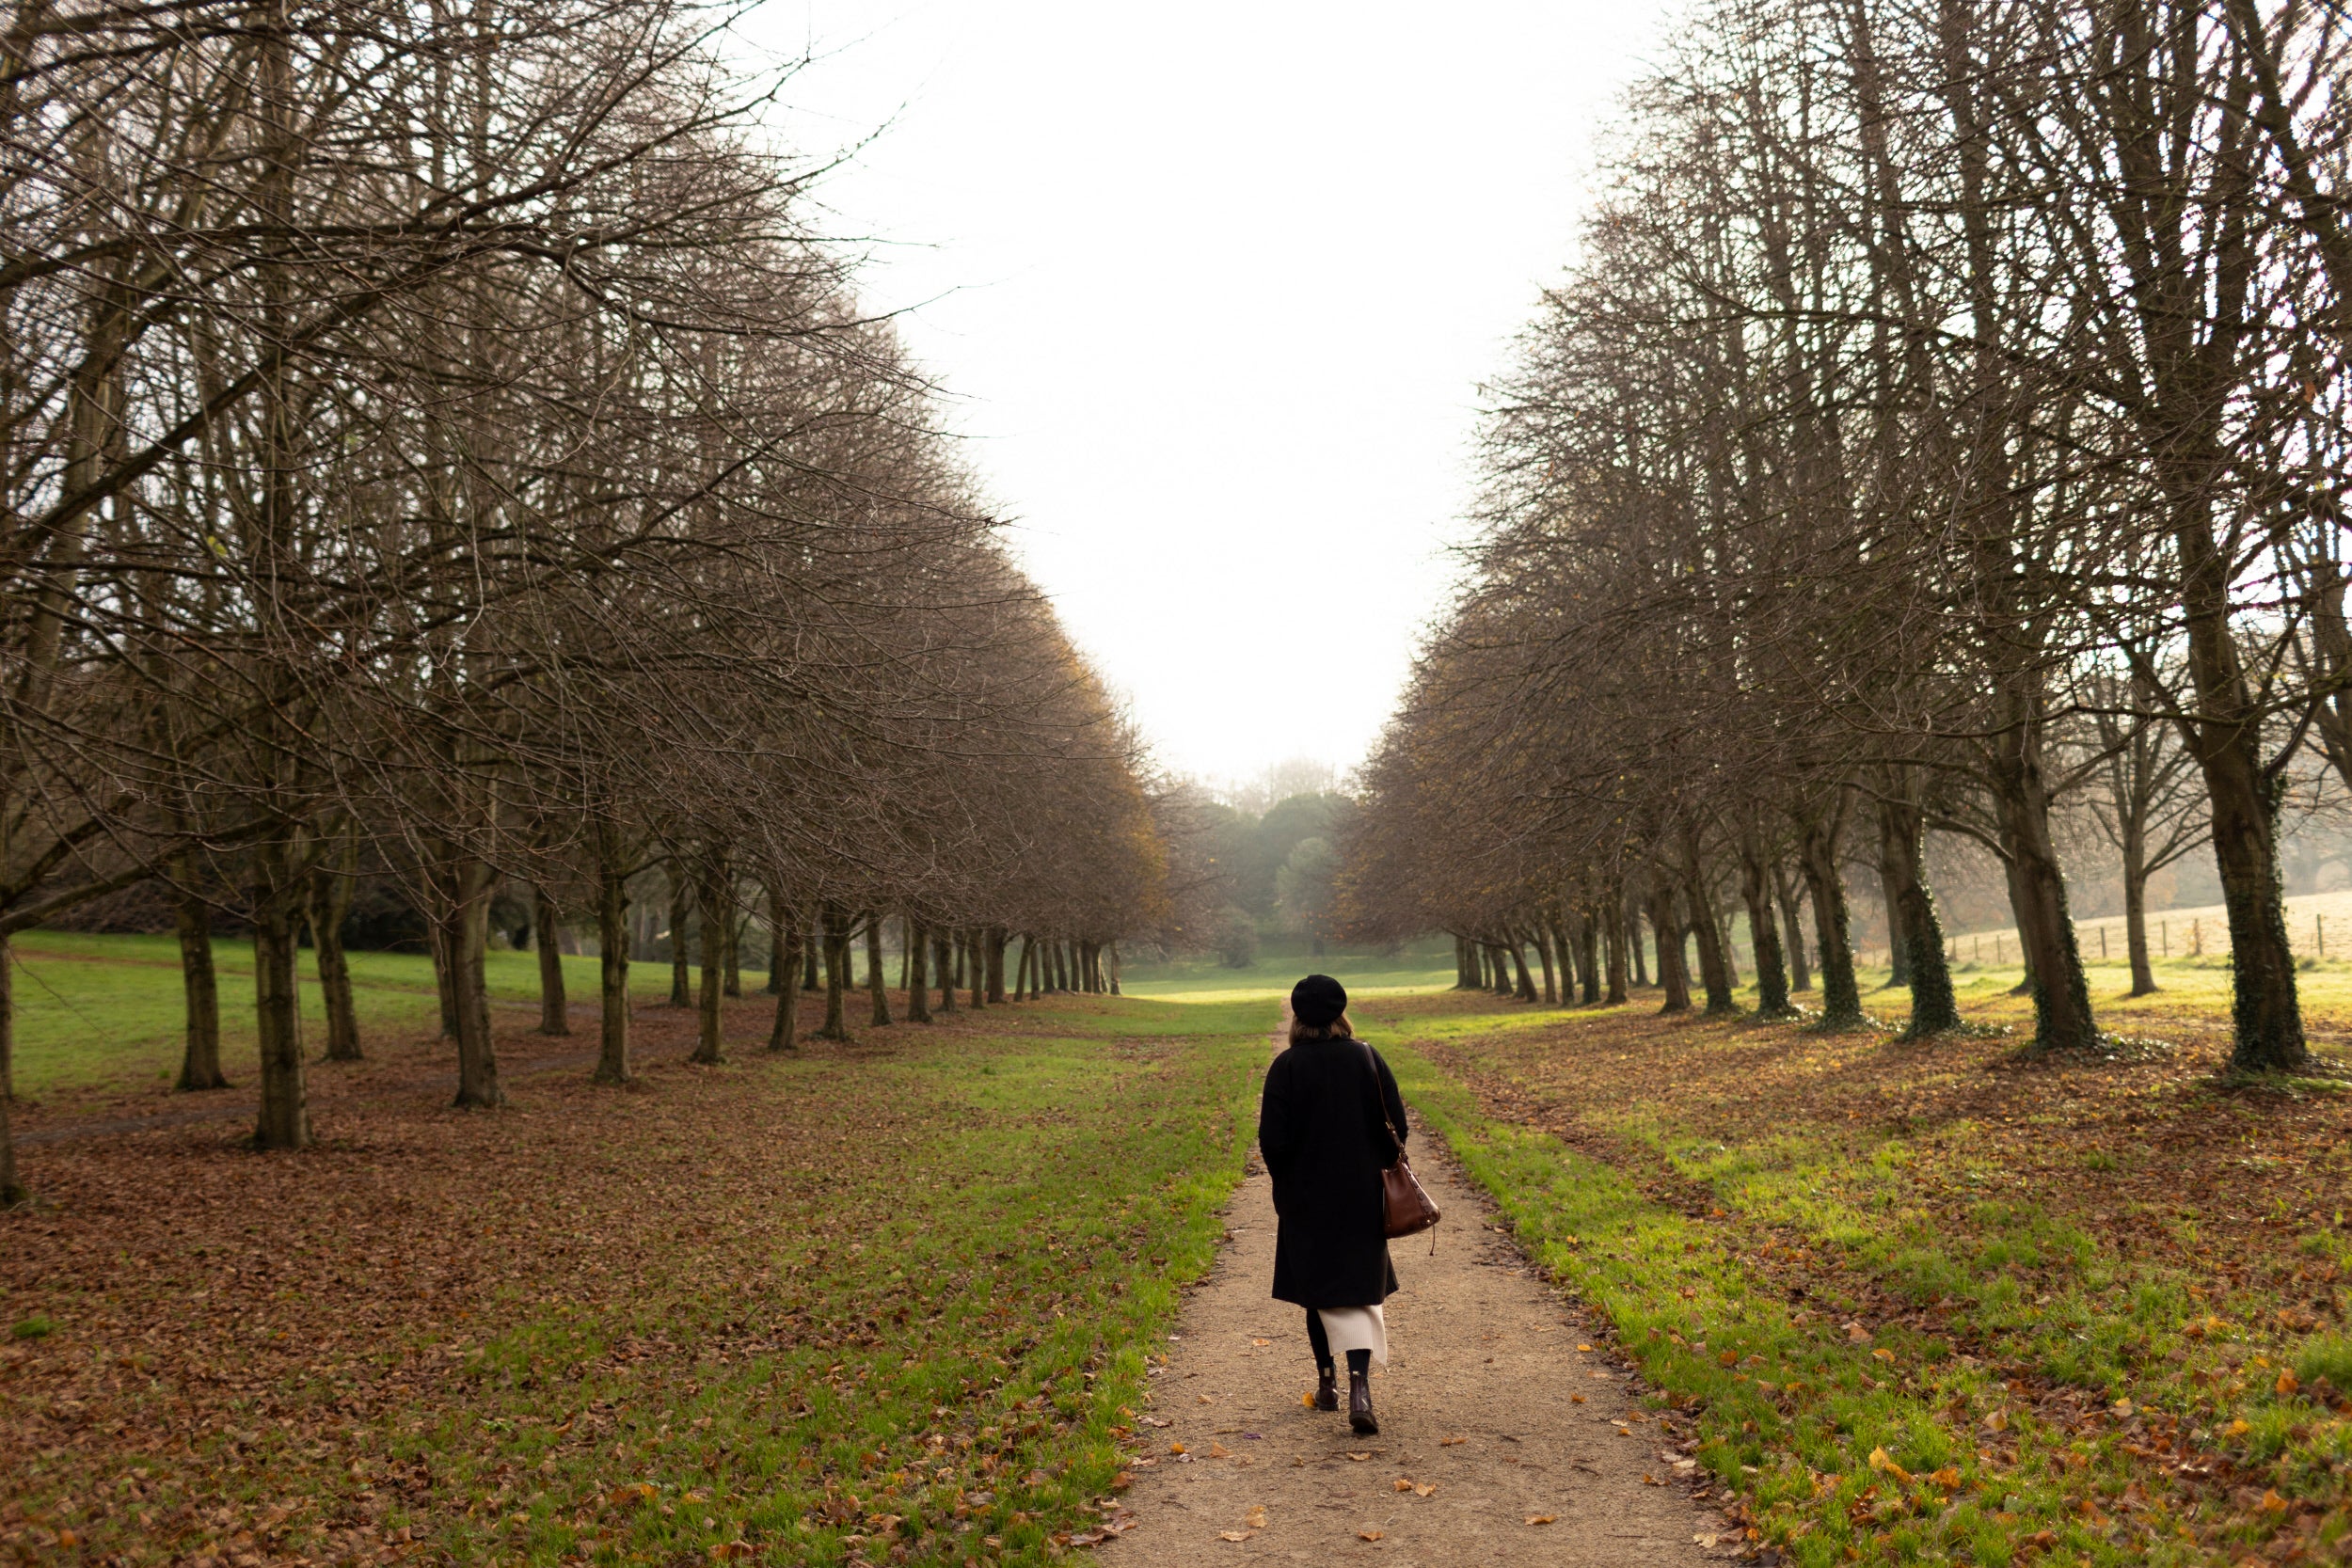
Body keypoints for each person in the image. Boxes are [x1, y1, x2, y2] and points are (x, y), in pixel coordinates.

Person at [1257, 974, 1408, 1435]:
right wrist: (1375, 1168)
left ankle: (1327, 1384)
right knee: (1360, 1293)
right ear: (1342, 1014)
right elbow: (1396, 1128)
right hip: (1362, 1194)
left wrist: (1287, 1184)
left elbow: (1272, 1141)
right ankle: (1360, 1386)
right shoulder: (1367, 1057)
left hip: (1306, 1197)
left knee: (1318, 1291)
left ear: (1298, 1017)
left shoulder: (1285, 1066)